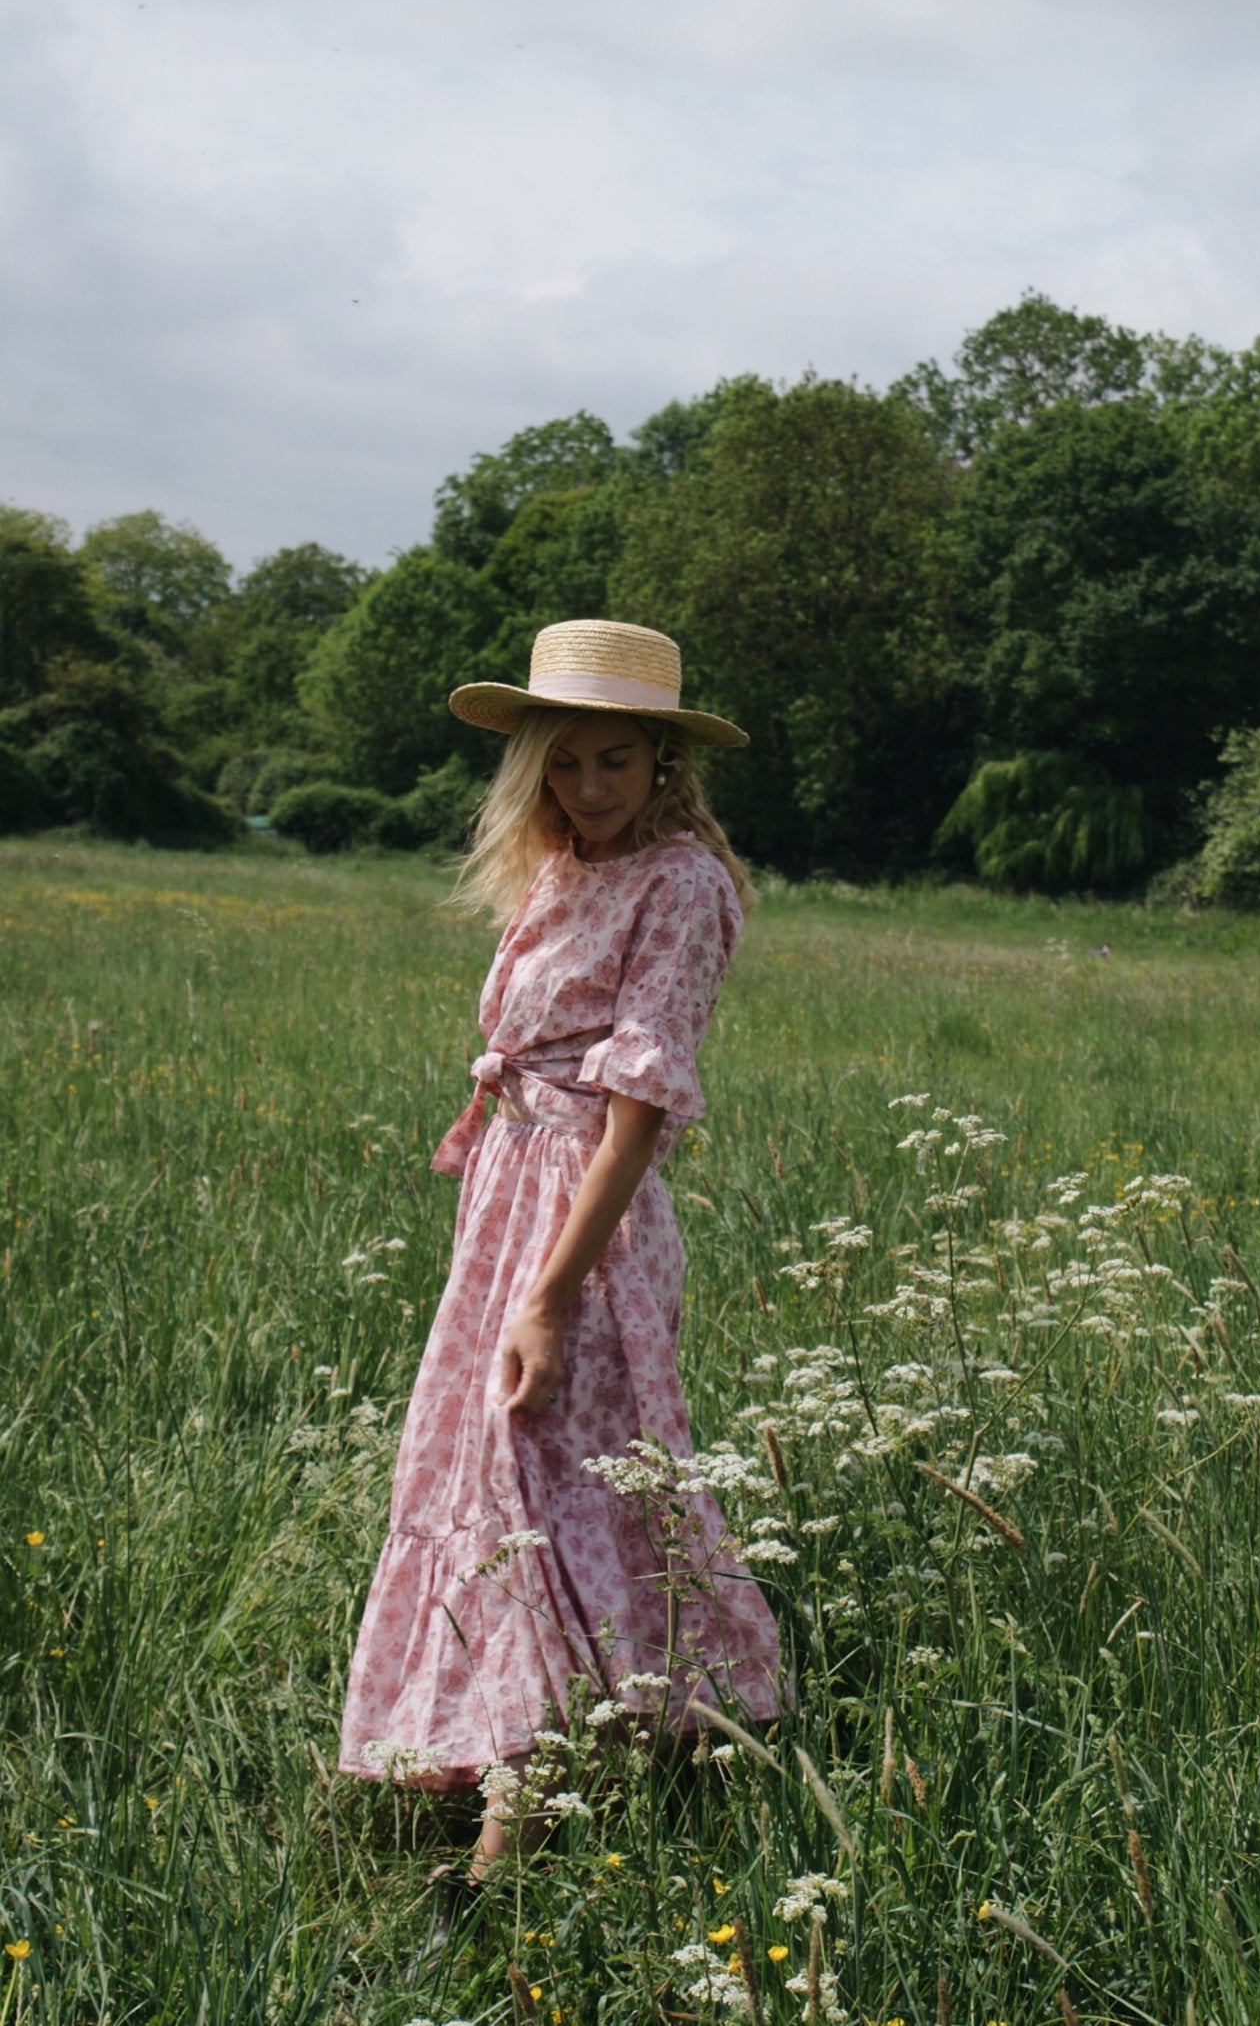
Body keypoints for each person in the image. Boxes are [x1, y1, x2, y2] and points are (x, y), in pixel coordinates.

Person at [337, 619, 781, 1869]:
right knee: (496, 1474)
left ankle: (504, 1843)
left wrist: (546, 1292)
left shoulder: (681, 883)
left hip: (586, 1215)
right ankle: (620, 1736)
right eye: (567, 762)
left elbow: (638, 1111)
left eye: (617, 762)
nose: (589, 787)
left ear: (663, 767)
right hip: (508, 1196)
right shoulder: (557, 869)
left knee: (540, 1479)